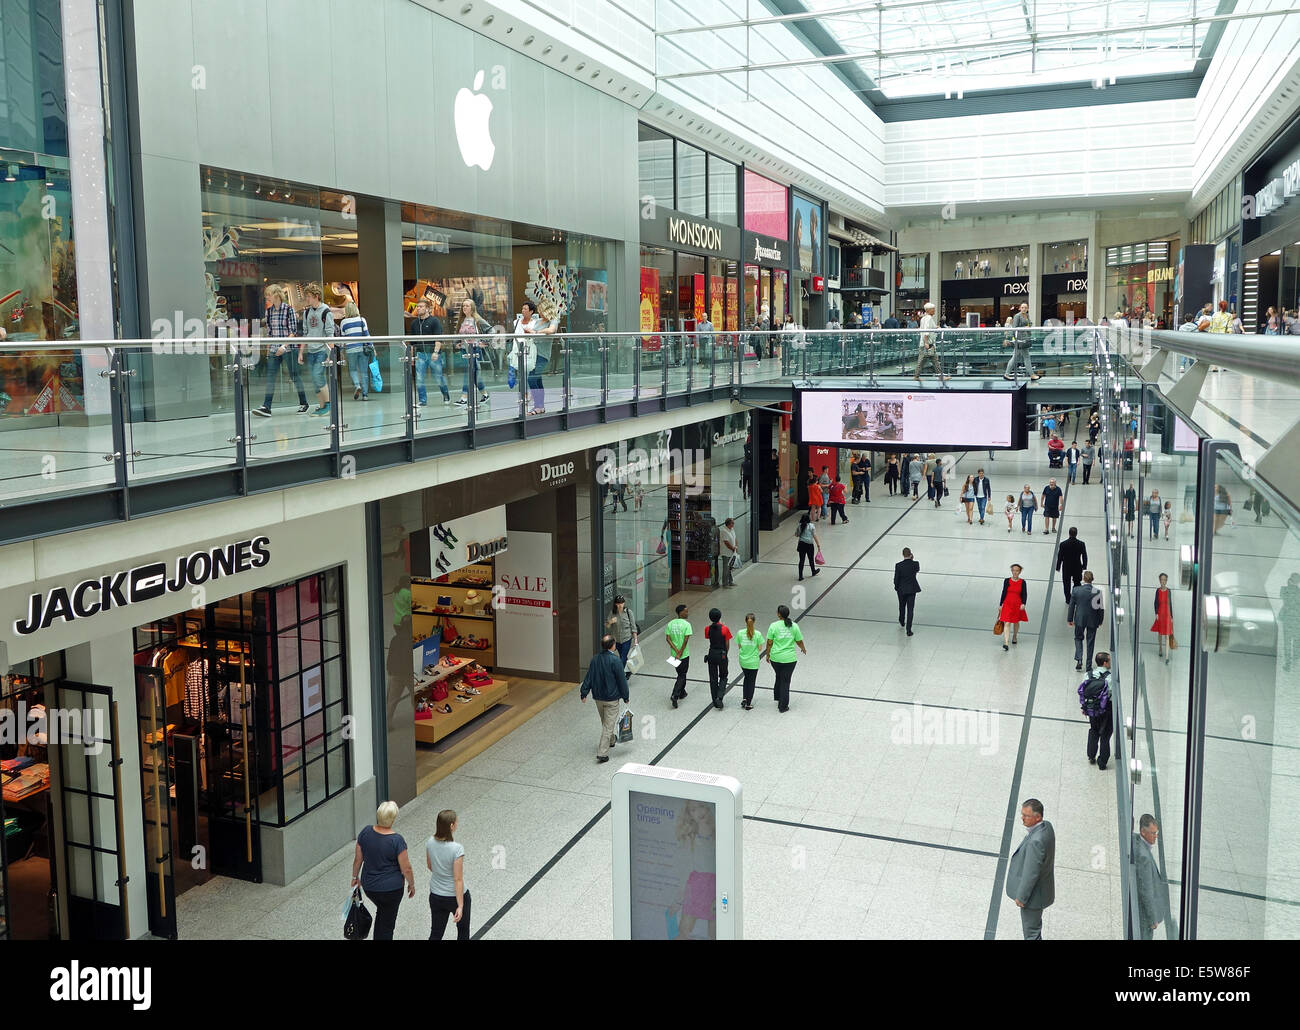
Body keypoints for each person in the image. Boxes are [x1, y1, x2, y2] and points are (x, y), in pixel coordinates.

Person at [351, 801, 415, 940]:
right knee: (387, 926)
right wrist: (411, 884)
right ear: (393, 818)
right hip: (391, 890)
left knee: (382, 913)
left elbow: (357, 860)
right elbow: (406, 869)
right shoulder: (396, 840)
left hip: (370, 887)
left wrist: (355, 878)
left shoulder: (365, 832)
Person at [253, 284, 310, 416]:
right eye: (266, 295)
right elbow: (270, 332)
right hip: (273, 348)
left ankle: (304, 403)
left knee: (294, 376)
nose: (267, 297)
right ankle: (267, 407)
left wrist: (284, 346)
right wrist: (268, 350)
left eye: (269, 295)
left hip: (288, 348)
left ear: (277, 294)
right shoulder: (269, 311)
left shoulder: (289, 309)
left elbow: (293, 331)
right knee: (270, 377)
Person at [1006, 798, 1055, 939]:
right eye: (1022, 814)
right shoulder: (1047, 827)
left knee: (1031, 933)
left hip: (1033, 897)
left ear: (1038, 817)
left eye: (1026, 816)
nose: (1022, 818)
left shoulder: (1036, 842)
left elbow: (1031, 873)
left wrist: (1021, 897)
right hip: (1043, 889)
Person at [580, 634, 631, 762]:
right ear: (613, 645)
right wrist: (625, 696)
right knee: (608, 725)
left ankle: (612, 739)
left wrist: (584, 692)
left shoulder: (595, 659)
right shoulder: (615, 660)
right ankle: (602, 752)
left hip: (598, 698)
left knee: (606, 722)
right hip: (612, 698)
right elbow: (621, 680)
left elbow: (589, 677)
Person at [426, 809, 471, 940]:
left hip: (436, 894)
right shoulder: (456, 849)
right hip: (454, 897)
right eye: (456, 822)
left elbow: (430, 866)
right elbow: (457, 879)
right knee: (463, 932)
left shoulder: (430, 842)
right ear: (451, 826)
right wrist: (461, 906)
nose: (457, 824)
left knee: (436, 933)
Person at [762, 604, 806, 713]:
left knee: (778, 676)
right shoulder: (794, 626)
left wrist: (768, 654)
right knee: (785, 681)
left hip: (775, 658)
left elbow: (769, 642)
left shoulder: (773, 626)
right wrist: (803, 648)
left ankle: (777, 696)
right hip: (790, 659)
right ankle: (783, 706)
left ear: (778, 614)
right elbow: (799, 640)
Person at [299, 283, 335, 416]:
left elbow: (330, 334)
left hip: (321, 350)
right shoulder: (307, 312)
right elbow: (305, 333)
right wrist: (301, 352)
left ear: (316, 296)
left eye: (308, 296)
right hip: (311, 350)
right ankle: (322, 406)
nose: (307, 299)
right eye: (306, 296)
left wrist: (329, 354)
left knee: (317, 376)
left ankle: (329, 404)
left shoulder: (326, 311)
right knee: (315, 380)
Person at [1135, 814, 1172, 940]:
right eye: (1153, 833)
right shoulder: (1144, 857)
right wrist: (1152, 919)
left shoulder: (1138, 841)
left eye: (1156, 833)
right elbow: (1146, 891)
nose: (1156, 836)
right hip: (1145, 918)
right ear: (1143, 832)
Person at [1079, 652, 1113, 771]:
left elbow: (1083, 691)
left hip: (1092, 709)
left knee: (1094, 730)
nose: (1110, 663)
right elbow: (1111, 695)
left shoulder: (1088, 675)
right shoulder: (1109, 677)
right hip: (1106, 710)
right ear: (1104, 663)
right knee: (1105, 734)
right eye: (1109, 661)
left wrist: (1084, 707)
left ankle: (1091, 755)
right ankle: (1102, 761)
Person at [454, 297, 491, 407]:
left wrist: (484, 342)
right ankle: (485, 394)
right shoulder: (462, 320)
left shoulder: (477, 320)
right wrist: (458, 343)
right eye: (463, 306)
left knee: (468, 373)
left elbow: (491, 330)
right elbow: (458, 334)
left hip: (475, 350)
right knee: (474, 374)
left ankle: (464, 397)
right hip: (465, 350)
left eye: (467, 305)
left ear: (472, 308)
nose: (464, 307)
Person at [1068, 570, 1104, 671]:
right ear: (1092, 579)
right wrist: (1100, 620)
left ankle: (1079, 659)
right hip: (1093, 620)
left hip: (1080, 619)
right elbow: (1100, 608)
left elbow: (1071, 606)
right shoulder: (1097, 592)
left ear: (1083, 578)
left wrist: (1069, 618)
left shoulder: (1076, 590)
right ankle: (1088, 666)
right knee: (1090, 642)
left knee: (1078, 638)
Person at [339, 300, 372, 401]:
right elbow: (367, 335)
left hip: (350, 349)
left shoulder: (343, 322)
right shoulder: (362, 320)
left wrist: (341, 352)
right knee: (364, 372)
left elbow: (342, 339)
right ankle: (365, 395)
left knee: (352, 369)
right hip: (362, 348)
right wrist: (372, 347)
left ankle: (357, 385)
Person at [1003, 302, 1041, 381]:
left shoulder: (1027, 315)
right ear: (1020, 308)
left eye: (1026, 307)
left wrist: (1029, 326)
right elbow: (1015, 328)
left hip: (1025, 339)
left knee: (1022, 357)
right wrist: (1024, 328)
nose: (1024, 309)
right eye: (1023, 307)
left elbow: (1029, 325)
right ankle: (1031, 375)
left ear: (1027, 309)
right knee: (1021, 357)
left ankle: (1007, 374)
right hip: (1020, 340)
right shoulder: (1017, 316)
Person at [704, 608, 732, 710]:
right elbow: (727, 644)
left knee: (713, 678)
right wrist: (726, 654)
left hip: (711, 653)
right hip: (722, 654)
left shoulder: (707, 628)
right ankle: (720, 697)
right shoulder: (724, 629)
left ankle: (714, 699)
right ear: (720, 617)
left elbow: (708, 637)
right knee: (723, 676)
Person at [915, 301, 949, 383]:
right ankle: (916, 376)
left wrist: (936, 327)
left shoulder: (923, 318)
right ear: (928, 310)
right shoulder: (929, 318)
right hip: (927, 344)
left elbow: (929, 328)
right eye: (933, 309)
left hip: (926, 343)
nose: (934, 311)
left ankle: (917, 376)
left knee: (933, 360)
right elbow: (927, 331)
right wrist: (926, 342)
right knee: (928, 361)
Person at [665, 604, 692, 709]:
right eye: (686, 611)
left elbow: (668, 638)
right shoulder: (687, 624)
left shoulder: (670, 623)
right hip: (684, 654)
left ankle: (682, 692)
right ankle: (675, 694)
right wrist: (680, 651)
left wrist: (675, 650)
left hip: (673, 655)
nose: (687, 613)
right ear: (680, 612)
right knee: (682, 675)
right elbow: (686, 640)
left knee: (680, 673)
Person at [737, 612, 763, 711]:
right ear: (754, 621)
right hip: (753, 662)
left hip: (743, 661)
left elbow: (739, 646)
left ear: (745, 621)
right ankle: (748, 703)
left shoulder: (740, 633)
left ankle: (744, 697)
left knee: (746, 678)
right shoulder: (758, 634)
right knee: (751, 682)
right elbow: (760, 648)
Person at [999, 564, 1028, 650]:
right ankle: (1006, 642)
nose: (1015, 572)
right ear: (1011, 571)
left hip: (1017, 604)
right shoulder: (1007, 581)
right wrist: (1001, 604)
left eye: (1017, 570)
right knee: (1007, 622)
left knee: (1016, 622)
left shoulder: (1023, 582)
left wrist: (1023, 603)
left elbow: (1024, 594)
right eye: (1013, 570)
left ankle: (1015, 636)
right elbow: (1004, 592)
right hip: (1007, 603)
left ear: (1020, 572)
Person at [1056, 526, 1088, 603]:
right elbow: (1084, 556)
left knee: (1066, 583)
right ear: (1076, 534)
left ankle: (1068, 599)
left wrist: (1058, 567)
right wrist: (1084, 565)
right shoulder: (1081, 544)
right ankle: (1076, 597)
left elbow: (1060, 556)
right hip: (1077, 566)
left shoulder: (1063, 544)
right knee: (1077, 582)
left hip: (1066, 566)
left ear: (1069, 533)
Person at [606, 594, 639, 667]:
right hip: (616, 640)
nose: (620, 605)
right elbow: (607, 626)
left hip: (626, 639)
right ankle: (628, 669)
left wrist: (635, 639)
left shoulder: (628, 612)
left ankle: (621, 674)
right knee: (622, 656)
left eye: (621, 603)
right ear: (615, 604)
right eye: (618, 603)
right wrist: (610, 621)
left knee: (622, 657)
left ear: (624, 603)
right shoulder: (612, 613)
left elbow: (633, 627)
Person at [894, 547, 921, 635]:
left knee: (902, 606)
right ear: (911, 554)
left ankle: (901, 620)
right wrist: (912, 559)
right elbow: (917, 570)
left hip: (901, 590)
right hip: (912, 589)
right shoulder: (915, 564)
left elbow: (896, 579)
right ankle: (908, 630)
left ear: (903, 554)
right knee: (910, 609)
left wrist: (896, 587)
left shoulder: (898, 565)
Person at [1151, 573, 1174, 663]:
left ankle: (1167, 656)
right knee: (1160, 633)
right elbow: (1155, 602)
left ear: (1166, 580)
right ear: (1159, 580)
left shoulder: (1169, 591)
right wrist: (1156, 613)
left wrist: (1172, 616)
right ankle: (1160, 648)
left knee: (1167, 635)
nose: (1163, 581)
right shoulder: (1158, 591)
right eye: (1161, 579)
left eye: (1164, 580)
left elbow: (1170, 603)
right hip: (1160, 613)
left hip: (1167, 614)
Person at [1281, 573, 1300, 673]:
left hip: (1287, 619)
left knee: (1287, 641)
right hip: (1297, 620)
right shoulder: (1299, 592)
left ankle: (1288, 663)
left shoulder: (1284, 590)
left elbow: (1283, 597)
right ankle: (1296, 658)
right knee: (1297, 640)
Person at [795, 512, 821, 581]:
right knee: (811, 559)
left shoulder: (799, 526)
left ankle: (800, 576)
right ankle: (813, 571)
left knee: (801, 560)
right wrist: (818, 544)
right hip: (809, 545)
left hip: (801, 544)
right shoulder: (811, 526)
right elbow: (814, 535)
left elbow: (796, 535)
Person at [718, 517, 738, 587]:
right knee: (726, 568)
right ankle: (725, 583)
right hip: (726, 553)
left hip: (732, 552)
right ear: (729, 524)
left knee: (730, 568)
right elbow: (726, 542)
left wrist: (736, 547)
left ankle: (730, 581)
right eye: (733, 523)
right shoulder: (724, 531)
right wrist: (733, 548)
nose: (733, 524)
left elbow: (735, 538)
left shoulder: (732, 529)